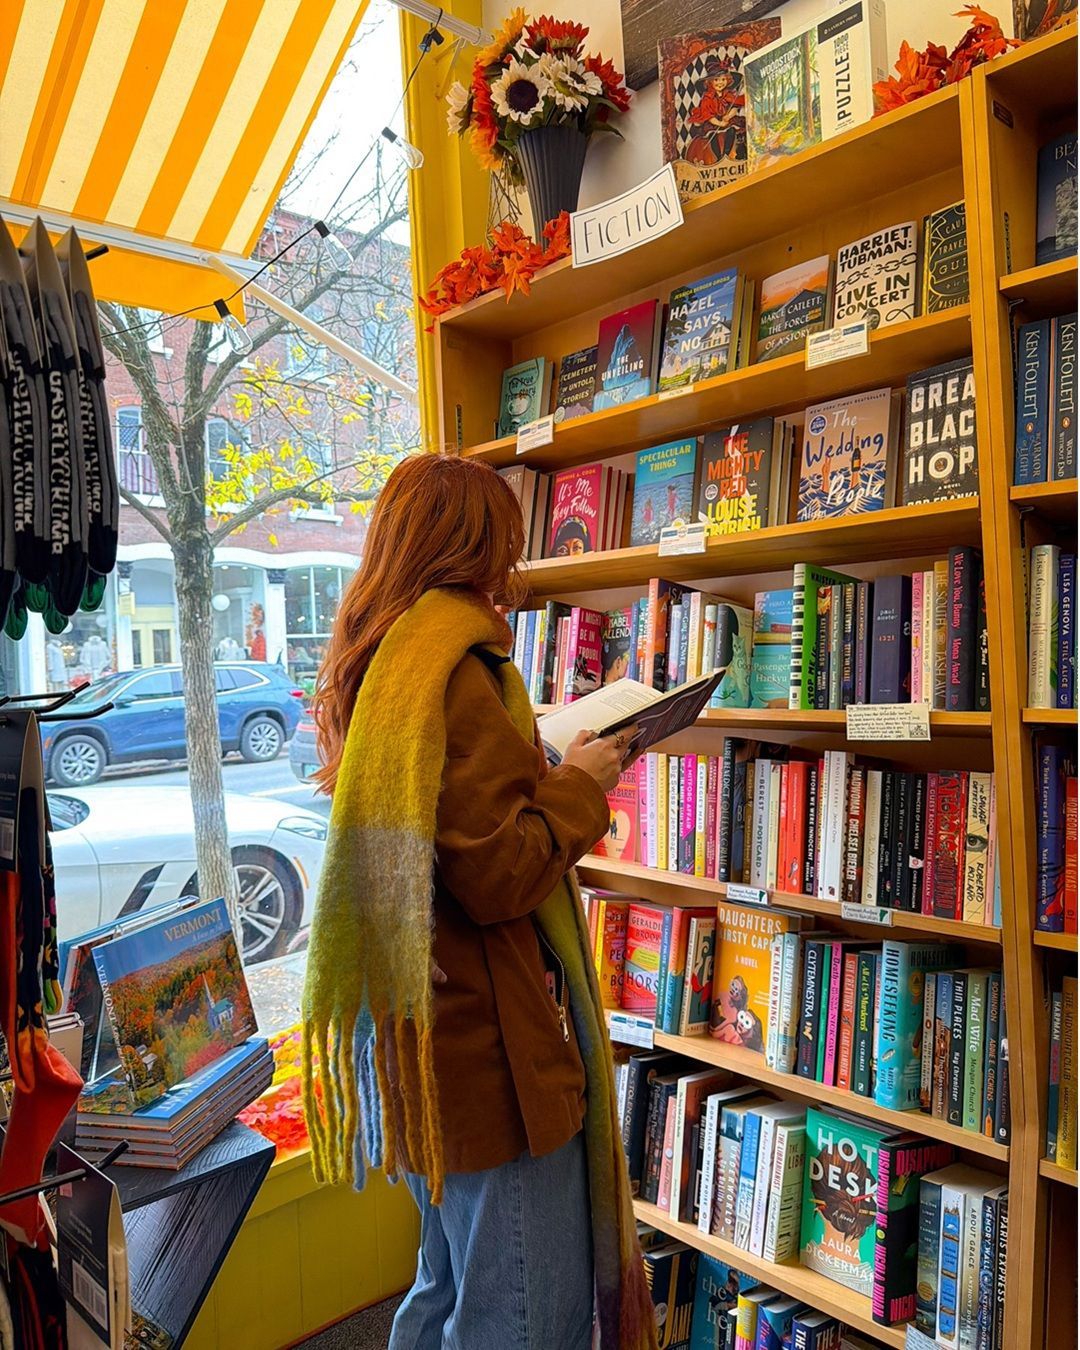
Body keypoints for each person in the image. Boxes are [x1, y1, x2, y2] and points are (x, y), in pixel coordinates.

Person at [302, 454, 657, 1350]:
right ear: (470, 545)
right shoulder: (457, 670)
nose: (515, 567)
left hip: (426, 1046)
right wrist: (579, 784)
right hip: (490, 1064)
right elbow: (499, 874)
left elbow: (449, 829)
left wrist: (524, 760)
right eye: (505, 541)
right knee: (520, 1320)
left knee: (442, 1288)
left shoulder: (387, 662)